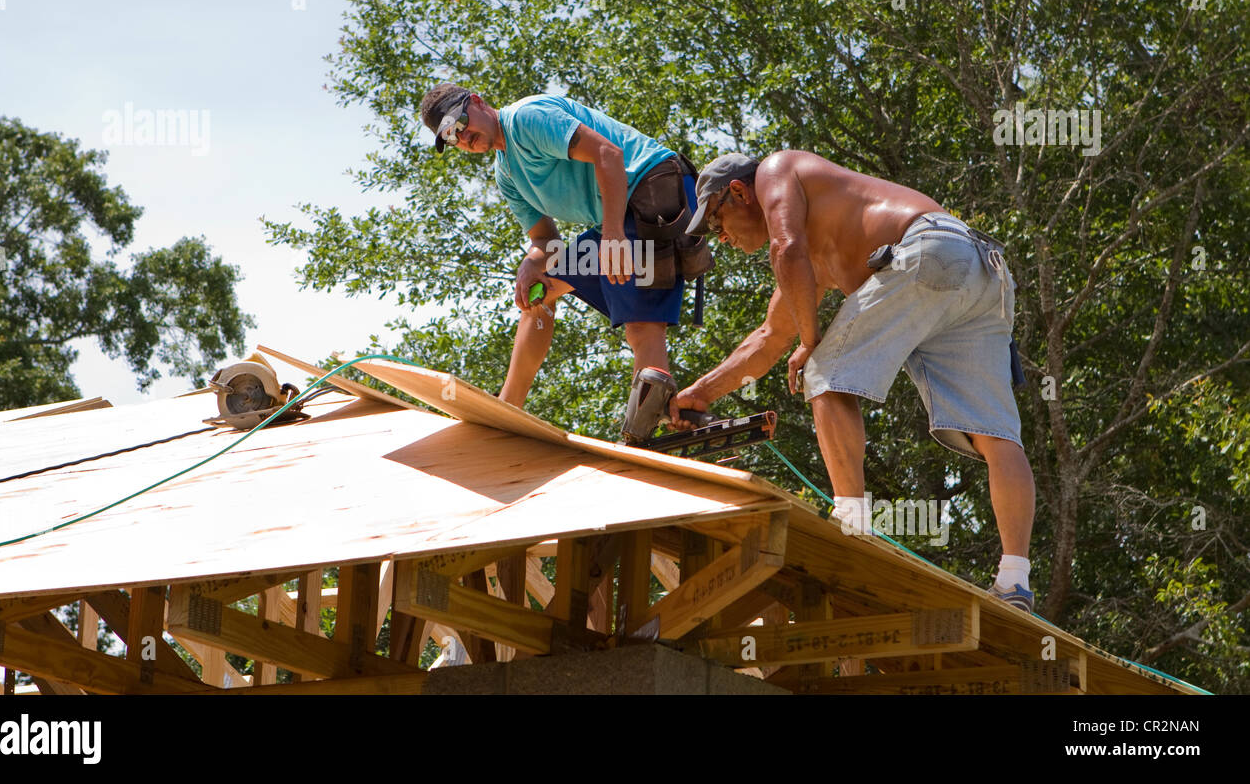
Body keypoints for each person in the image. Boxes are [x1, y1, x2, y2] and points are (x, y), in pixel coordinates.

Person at [668, 151, 1037, 612]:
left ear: (740, 192)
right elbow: (768, 338)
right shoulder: (818, 244)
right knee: (995, 434)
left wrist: (811, 341)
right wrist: (698, 394)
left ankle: (852, 528)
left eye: (717, 222)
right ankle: (1015, 580)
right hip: (979, 269)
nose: (720, 238)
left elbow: (787, 249)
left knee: (823, 370)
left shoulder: (775, 171)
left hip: (924, 252)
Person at [419, 83, 711, 408]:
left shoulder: (526, 119)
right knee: (538, 293)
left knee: (642, 326)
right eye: (450, 138)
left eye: (460, 124)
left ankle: (644, 429)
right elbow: (545, 240)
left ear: (477, 101)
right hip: (617, 219)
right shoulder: (507, 175)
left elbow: (608, 154)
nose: (462, 137)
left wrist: (613, 234)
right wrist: (532, 262)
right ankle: (508, 406)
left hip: (654, 193)